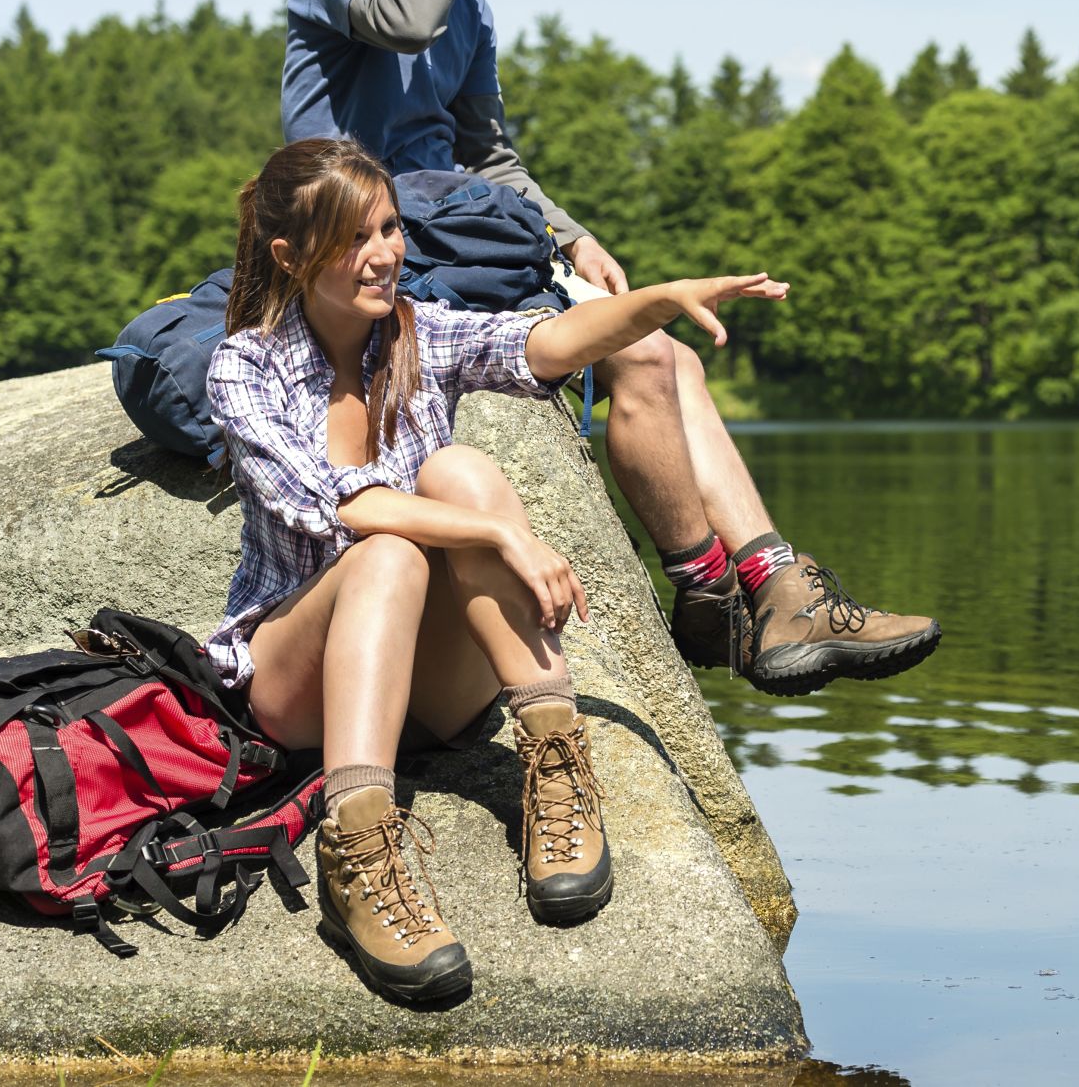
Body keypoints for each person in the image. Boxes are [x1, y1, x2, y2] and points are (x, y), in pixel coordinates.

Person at [281, 0, 940, 694]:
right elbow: (403, 18)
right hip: (366, 246)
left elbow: (489, 154)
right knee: (638, 357)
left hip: (458, 238)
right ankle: (709, 591)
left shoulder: (466, 6)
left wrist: (571, 238)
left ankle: (776, 585)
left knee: (669, 354)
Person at [206, 137, 788, 1002]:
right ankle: (358, 843)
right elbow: (342, 507)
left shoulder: (416, 332)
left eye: (391, 229)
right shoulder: (244, 367)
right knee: (390, 550)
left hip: (432, 695)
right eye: (351, 236)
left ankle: (556, 759)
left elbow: (546, 344)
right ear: (289, 255)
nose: (384, 255)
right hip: (305, 692)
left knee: (460, 471)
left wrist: (658, 301)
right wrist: (503, 538)